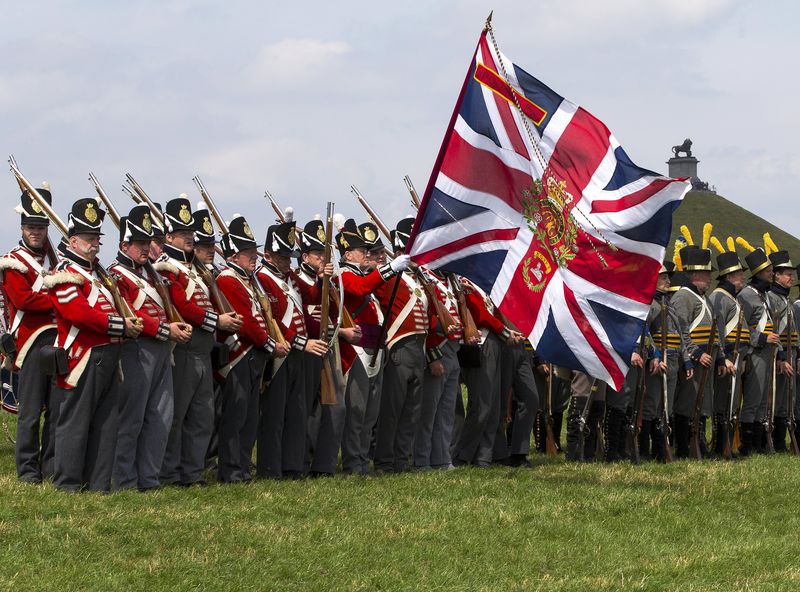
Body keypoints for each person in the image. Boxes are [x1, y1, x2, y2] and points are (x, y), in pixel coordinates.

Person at [46, 198, 142, 492]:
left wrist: (131, 324)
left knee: (106, 422)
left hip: (110, 352)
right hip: (82, 355)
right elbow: (79, 315)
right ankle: (68, 484)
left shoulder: (100, 273)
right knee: (74, 423)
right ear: (72, 240)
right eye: (88, 239)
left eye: (96, 238)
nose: (94, 244)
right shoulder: (63, 273)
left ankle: (98, 484)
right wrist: (120, 326)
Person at [156, 196, 243, 486]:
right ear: (169, 236)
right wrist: (217, 322)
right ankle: (170, 472)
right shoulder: (166, 267)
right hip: (184, 348)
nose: (189, 239)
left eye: (190, 234)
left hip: (203, 350)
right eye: (183, 234)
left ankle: (191, 472)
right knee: (177, 416)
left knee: (201, 416)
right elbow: (181, 305)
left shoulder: (196, 268)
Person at [109, 205, 192, 491]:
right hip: (136, 348)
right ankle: (125, 480)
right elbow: (130, 311)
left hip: (161, 349)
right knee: (132, 418)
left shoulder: (152, 274)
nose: (146, 248)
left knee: (161, 416)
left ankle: (150, 477)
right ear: (124, 245)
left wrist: (175, 326)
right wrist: (163, 329)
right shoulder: (116, 275)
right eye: (140, 243)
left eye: (147, 242)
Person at [255, 215, 329, 479]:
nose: (288, 261)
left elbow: (312, 298)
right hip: (281, 353)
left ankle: (292, 465)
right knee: (275, 415)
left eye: (289, 256)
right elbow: (271, 319)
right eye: (282, 256)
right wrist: (302, 342)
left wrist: (321, 279)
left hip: (297, 351)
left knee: (296, 412)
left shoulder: (288, 278)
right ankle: (270, 468)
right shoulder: (261, 279)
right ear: (267, 254)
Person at [215, 214, 287, 482]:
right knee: (235, 416)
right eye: (246, 252)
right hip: (239, 354)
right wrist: (270, 344)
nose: (253, 256)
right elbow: (244, 321)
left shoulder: (248, 279)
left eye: (253, 250)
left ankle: (243, 467)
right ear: (233, 254)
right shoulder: (227, 279)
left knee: (248, 417)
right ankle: (231, 471)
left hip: (254, 354)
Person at [336, 218, 406, 475]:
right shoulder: (344, 275)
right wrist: (390, 268)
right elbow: (361, 288)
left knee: (370, 414)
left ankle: (363, 460)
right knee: (357, 412)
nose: (366, 254)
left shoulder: (364, 275)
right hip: (357, 350)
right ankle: (354, 463)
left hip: (375, 346)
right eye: (360, 250)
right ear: (347, 254)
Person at [0, 185, 58, 483]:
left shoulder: (54, 260)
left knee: (56, 409)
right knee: (31, 411)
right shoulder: (13, 262)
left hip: (58, 340)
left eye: (40, 226)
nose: (35, 232)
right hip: (31, 342)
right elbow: (24, 300)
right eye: (30, 226)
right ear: (22, 227)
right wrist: (60, 300)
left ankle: (49, 466)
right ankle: (27, 470)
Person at [736, 238, 776, 456]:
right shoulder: (746, 295)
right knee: (752, 400)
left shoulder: (763, 295)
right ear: (759, 272)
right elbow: (740, 327)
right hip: (755, 353)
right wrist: (761, 339)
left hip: (767, 354)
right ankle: (747, 445)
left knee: (762, 400)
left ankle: (759, 443)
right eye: (769, 271)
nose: (772, 274)